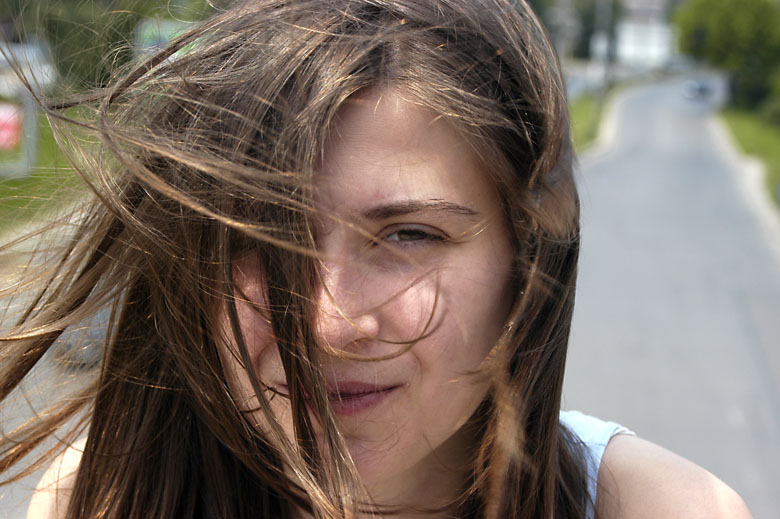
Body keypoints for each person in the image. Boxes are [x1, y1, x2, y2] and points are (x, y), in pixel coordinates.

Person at [0, 1, 751, 518]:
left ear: (526, 264)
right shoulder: (101, 497)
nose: (329, 324)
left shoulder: (664, 509)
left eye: (409, 236)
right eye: (260, 235)